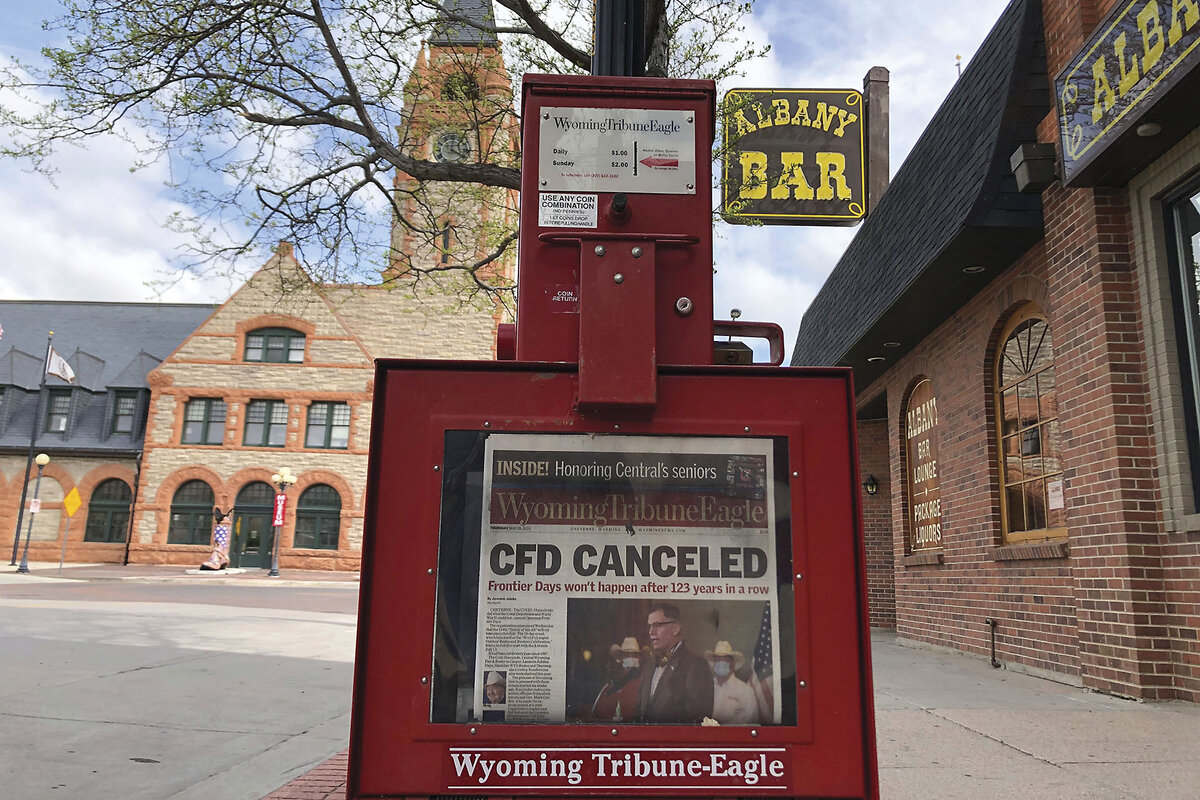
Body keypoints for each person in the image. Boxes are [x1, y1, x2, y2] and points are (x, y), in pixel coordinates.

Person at [636, 602, 713, 723]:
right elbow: (639, 712)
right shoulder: (649, 666)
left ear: (676, 628)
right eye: (649, 626)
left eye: (657, 625)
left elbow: (698, 719)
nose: (651, 632)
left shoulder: (696, 665)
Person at [706, 640, 759, 724]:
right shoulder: (706, 687)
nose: (721, 663)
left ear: (733, 664)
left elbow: (752, 721)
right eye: (718, 660)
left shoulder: (746, 690)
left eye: (725, 660)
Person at [592, 637, 643, 721]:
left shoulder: (641, 684)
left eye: (634, 655)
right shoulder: (609, 684)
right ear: (620, 658)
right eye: (627, 655)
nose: (631, 658)